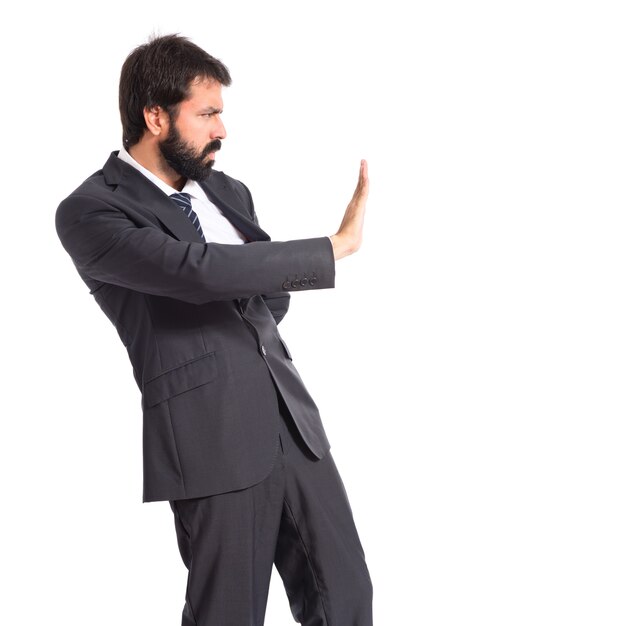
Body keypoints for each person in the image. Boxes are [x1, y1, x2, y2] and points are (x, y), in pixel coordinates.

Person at [55, 34, 372, 626]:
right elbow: (196, 273)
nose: (221, 129)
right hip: (209, 433)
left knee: (347, 594)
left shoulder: (227, 191)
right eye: (207, 114)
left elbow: (267, 294)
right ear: (155, 115)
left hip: (291, 420)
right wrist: (332, 248)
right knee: (228, 611)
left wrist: (244, 294)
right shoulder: (91, 210)